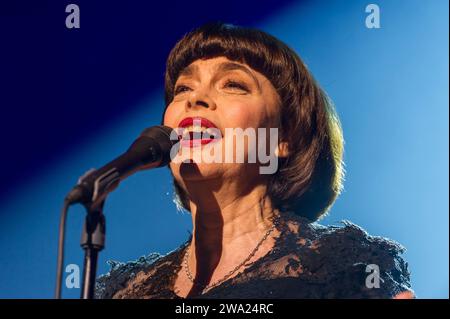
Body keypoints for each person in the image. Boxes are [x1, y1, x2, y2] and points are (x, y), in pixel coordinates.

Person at [95, 22, 413, 299]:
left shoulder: (344, 267)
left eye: (233, 84)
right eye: (183, 88)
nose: (195, 98)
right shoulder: (128, 289)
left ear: (283, 139)